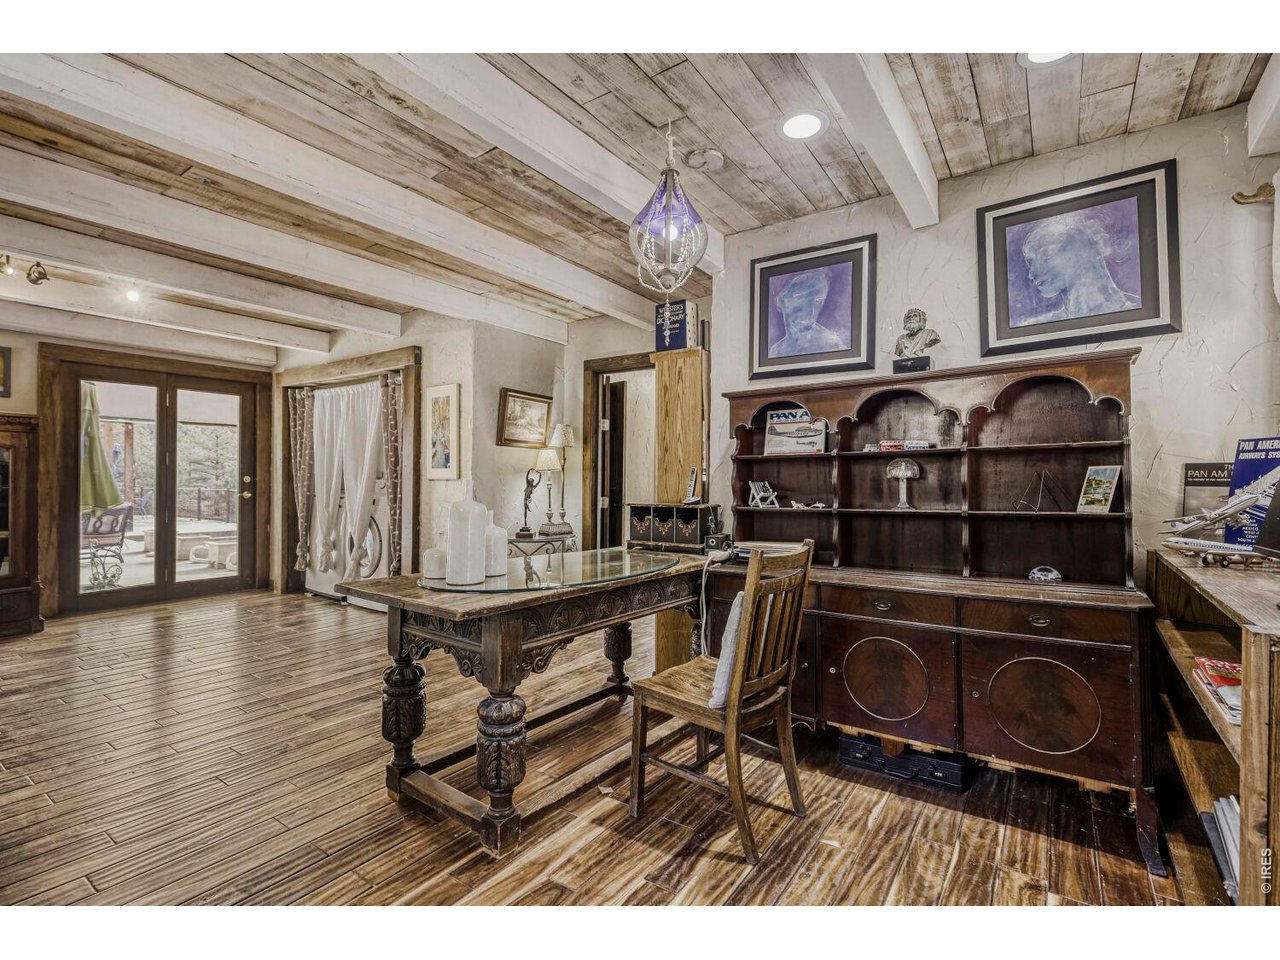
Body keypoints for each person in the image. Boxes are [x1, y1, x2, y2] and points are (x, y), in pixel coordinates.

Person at [1018, 211, 1140, 326]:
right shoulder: (1035, 326)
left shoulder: (1136, 311)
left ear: (1084, 251)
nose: (1031, 273)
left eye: (1046, 254)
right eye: (1030, 262)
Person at [769, 268, 848, 357]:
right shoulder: (775, 351)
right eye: (799, 298)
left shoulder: (831, 345)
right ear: (780, 301)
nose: (810, 312)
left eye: (818, 301)